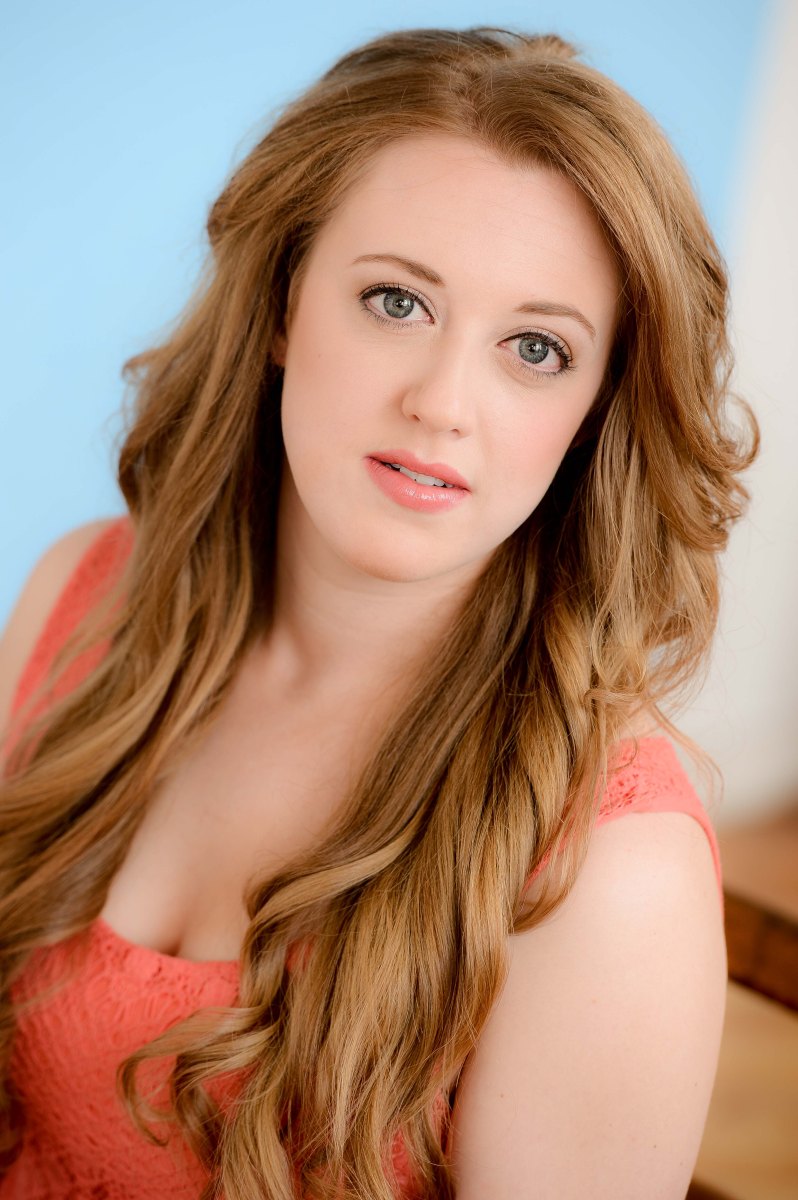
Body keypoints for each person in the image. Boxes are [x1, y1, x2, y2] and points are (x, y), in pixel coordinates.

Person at [0, 25, 758, 1200]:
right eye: (397, 301)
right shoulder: (85, 596)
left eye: (537, 349)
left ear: (596, 413)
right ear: (280, 305)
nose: (442, 402)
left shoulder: (612, 871)